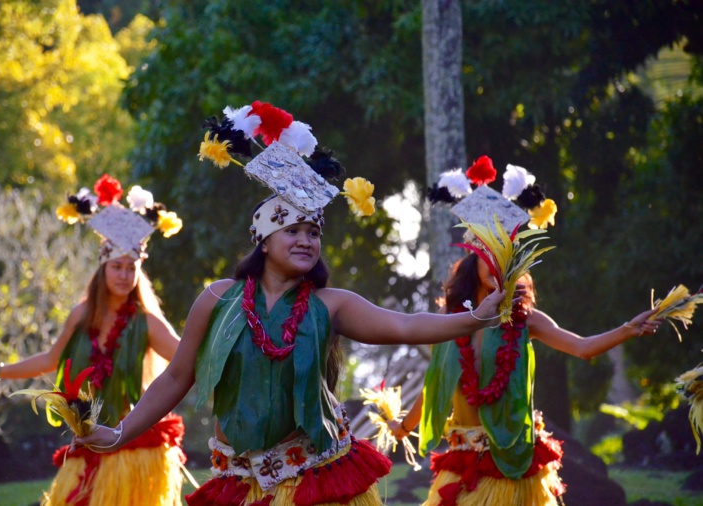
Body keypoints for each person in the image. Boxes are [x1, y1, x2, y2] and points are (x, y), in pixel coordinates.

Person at [77, 102, 518, 506]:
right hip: (239, 480)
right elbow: (176, 376)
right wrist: (118, 434)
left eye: (314, 233)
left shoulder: (331, 304)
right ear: (264, 241)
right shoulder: (216, 299)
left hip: (314, 479)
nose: (306, 240)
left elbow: (404, 326)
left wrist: (475, 318)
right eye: (293, 231)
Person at [388, 160, 661, 506]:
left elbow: (583, 348)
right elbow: (436, 382)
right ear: (476, 259)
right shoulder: (452, 319)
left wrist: (627, 329)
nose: (500, 265)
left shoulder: (526, 320)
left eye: (509, 256)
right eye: (492, 254)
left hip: (514, 467)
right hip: (462, 466)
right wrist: (404, 426)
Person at [0, 175, 186, 506]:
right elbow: (50, 360)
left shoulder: (146, 323)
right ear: (103, 268)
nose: (125, 275)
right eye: (117, 267)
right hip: (88, 440)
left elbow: (186, 361)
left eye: (131, 268)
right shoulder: (81, 316)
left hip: (135, 441)